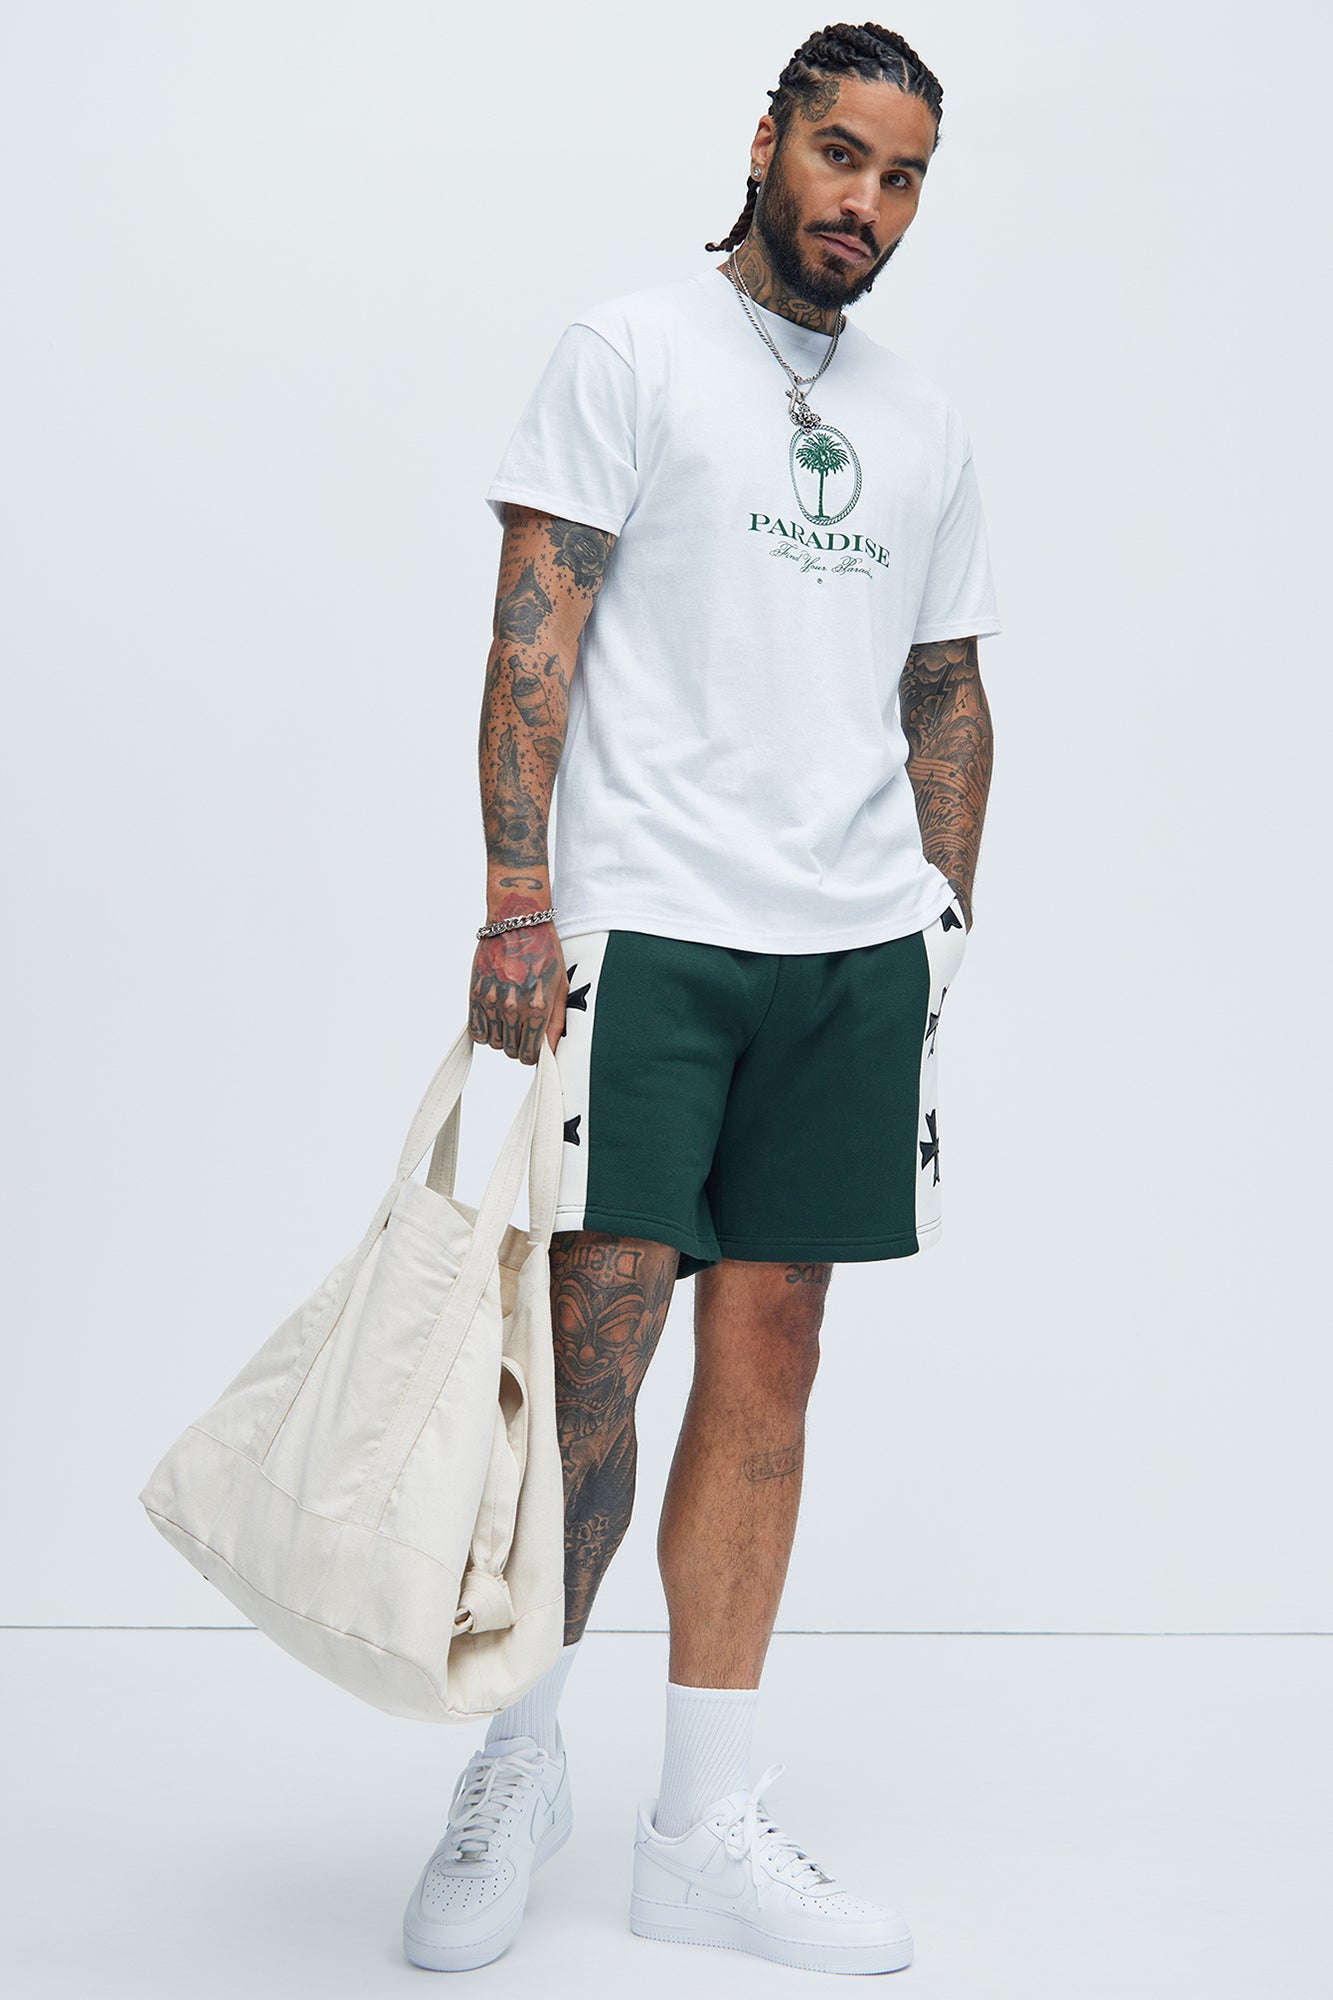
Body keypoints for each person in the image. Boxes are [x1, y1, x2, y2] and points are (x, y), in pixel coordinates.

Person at [402, 19, 1000, 1978]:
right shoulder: (630, 352)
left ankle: (702, 1825)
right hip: (649, 929)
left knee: (774, 1354)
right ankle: (516, 1762)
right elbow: (535, 630)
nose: (863, 204)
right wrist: (517, 902)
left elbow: (946, 687)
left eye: (900, 179)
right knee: (593, 1352)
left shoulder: (921, 422)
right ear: (765, 140)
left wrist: (941, 924)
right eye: (839, 156)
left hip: (849, 953)